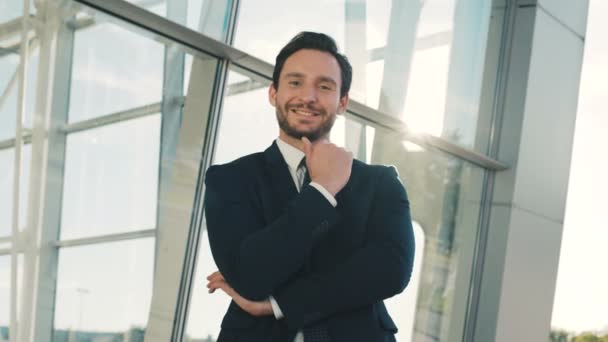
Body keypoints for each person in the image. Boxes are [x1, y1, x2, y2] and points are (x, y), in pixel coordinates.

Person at [204, 31, 415, 342]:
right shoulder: (230, 179)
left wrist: (281, 304)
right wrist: (323, 190)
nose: (308, 96)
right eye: (295, 82)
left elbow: (390, 271)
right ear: (273, 93)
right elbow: (251, 275)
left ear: (342, 102)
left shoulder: (381, 183)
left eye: (325, 86)